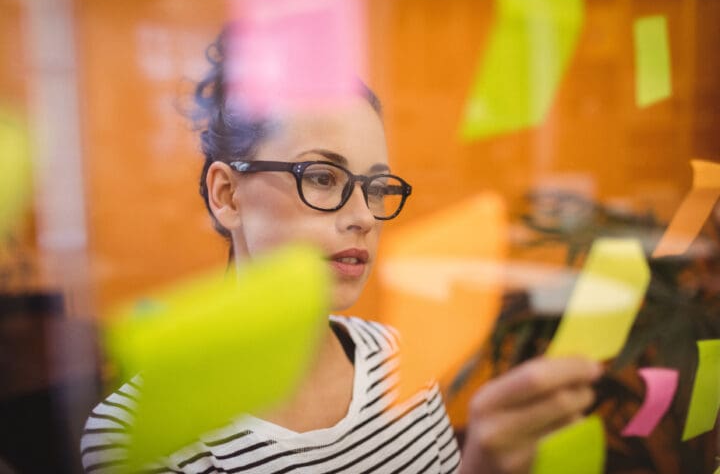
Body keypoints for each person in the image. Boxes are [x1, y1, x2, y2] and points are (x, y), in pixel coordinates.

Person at [81, 30, 601, 473]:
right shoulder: (137, 435)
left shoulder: (399, 357)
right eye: (323, 177)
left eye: (376, 188)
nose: (365, 215)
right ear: (228, 195)